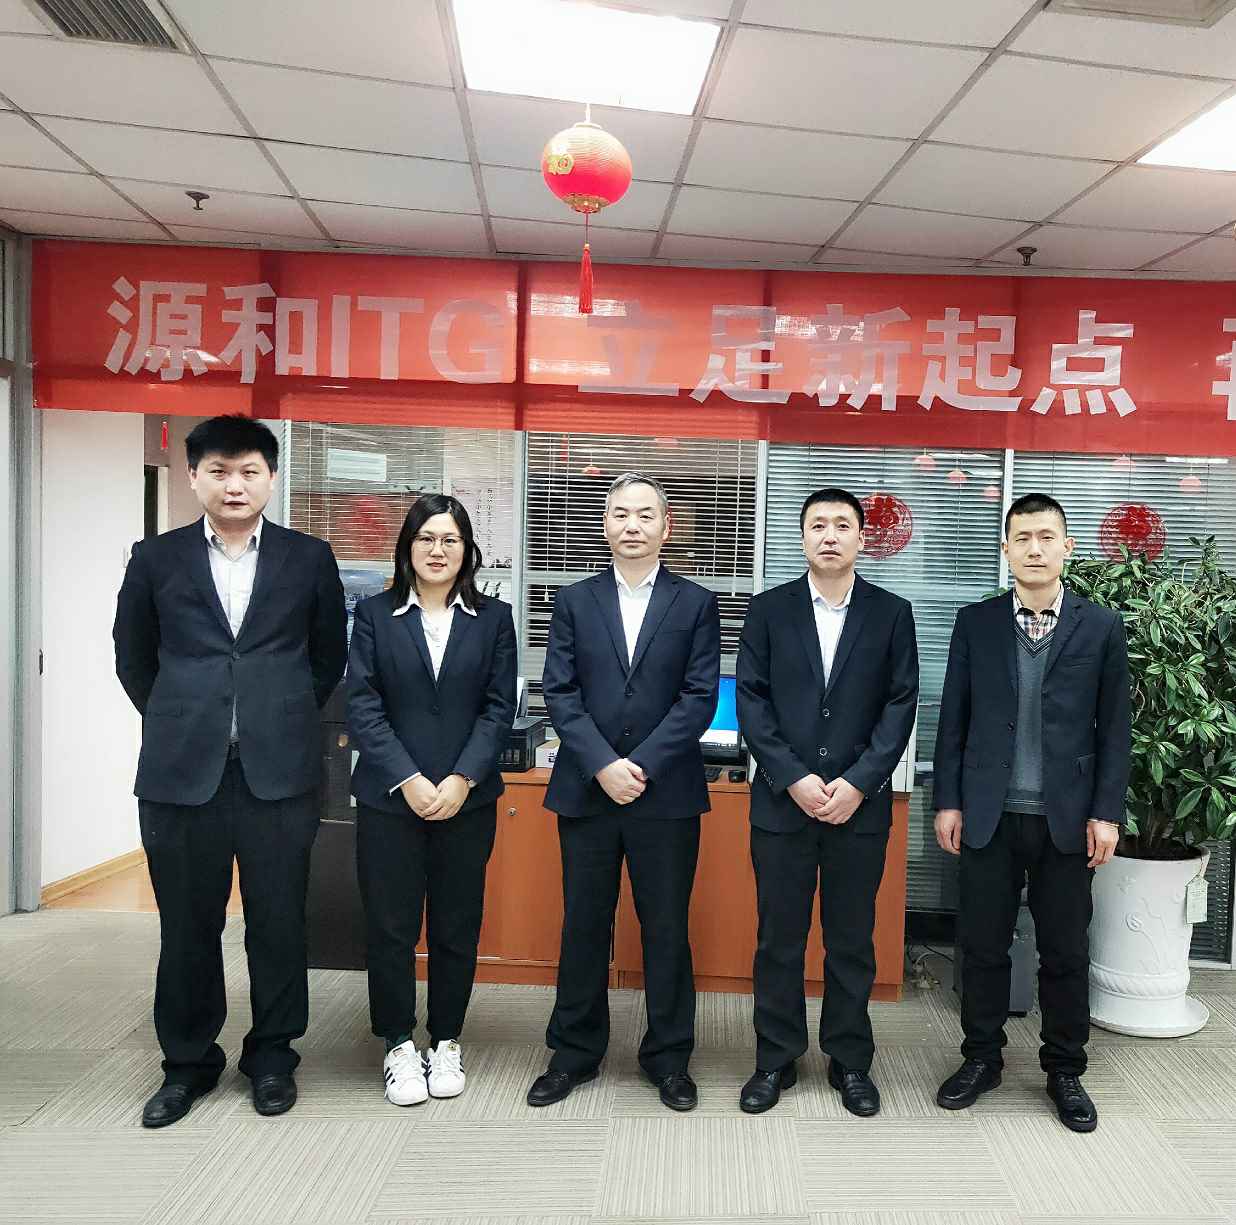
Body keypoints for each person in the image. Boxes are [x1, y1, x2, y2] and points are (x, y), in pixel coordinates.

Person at [113, 414, 347, 1128]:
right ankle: (187, 1063)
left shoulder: (310, 558)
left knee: (278, 922)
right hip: (183, 774)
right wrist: (189, 717)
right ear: (193, 477)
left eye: (248, 471)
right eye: (218, 471)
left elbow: (326, 658)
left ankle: (272, 1056)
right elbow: (133, 658)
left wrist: (275, 714)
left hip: (280, 772)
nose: (234, 484)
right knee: (188, 926)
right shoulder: (155, 558)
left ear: (271, 477)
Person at [933, 492, 1131, 1133]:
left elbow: (1114, 729)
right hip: (989, 813)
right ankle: (981, 1059)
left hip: (1067, 820)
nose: (1035, 549)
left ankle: (1065, 1069)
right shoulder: (976, 622)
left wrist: (1106, 812)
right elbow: (954, 718)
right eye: (1022, 538)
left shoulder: (1100, 626)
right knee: (982, 946)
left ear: (1067, 546)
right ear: (1006, 549)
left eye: (1047, 537)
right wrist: (948, 800)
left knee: (1066, 951)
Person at [526, 472, 720, 1112]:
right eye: (619, 514)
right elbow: (560, 692)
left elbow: (698, 697)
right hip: (587, 789)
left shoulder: (695, 603)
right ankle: (573, 1052)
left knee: (666, 928)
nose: (631, 525)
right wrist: (604, 764)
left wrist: (641, 765)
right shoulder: (574, 601)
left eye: (645, 515)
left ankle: (669, 1057)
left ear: (666, 528)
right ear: (604, 524)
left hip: (666, 796)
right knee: (584, 924)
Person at [735, 487, 918, 1117]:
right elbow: (752, 702)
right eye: (818, 525)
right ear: (803, 538)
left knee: (851, 941)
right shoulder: (768, 610)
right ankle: (775, 1058)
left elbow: (900, 705)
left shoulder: (892, 613)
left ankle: (850, 1060)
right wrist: (793, 777)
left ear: (862, 539)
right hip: (782, 804)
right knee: (778, 940)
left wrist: (860, 782)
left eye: (843, 525)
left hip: (858, 807)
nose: (830, 535)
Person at [347, 494, 516, 1106]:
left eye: (450, 540)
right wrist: (409, 778)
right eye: (426, 538)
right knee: (390, 926)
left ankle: (445, 1039)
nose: (437, 550)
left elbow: (499, 708)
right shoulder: (375, 615)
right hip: (391, 799)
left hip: (466, 800)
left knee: (455, 925)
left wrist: (463, 777)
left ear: (467, 550)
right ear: (407, 547)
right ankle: (397, 1042)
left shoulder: (494, 619)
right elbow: (363, 705)